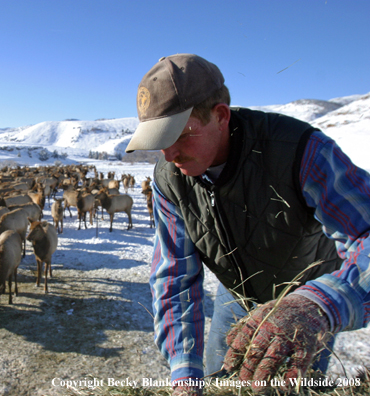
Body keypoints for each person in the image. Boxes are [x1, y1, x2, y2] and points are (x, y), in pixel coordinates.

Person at [125, 54, 370, 395]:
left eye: (180, 135)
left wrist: (320, 305)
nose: (169, 154)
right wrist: (184, 370)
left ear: (220, 116)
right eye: (160, 141)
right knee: (217, 381)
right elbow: (174, 276)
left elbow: (366, 233)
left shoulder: (299, 151)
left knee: (290, 388)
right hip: (237, 296)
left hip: (305, 302)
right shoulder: (170, 180)